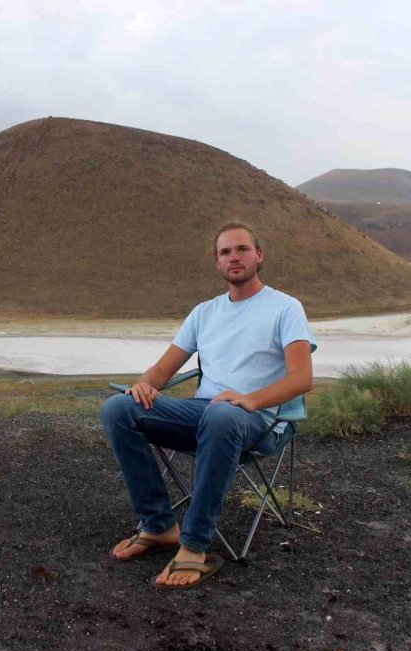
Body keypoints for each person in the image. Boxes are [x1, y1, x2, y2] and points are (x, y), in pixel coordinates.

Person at [100, 221, 316, 588]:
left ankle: (194, 545)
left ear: (259, 255)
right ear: (217, 262)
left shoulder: (285, 308)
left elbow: (301, 378)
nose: (234, 257)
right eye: (225, 252)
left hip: (258, 420)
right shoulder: (205, 312)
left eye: (242, 249)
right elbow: (163, 370)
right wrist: (143, 386)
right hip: (207, 414)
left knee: (222, 414)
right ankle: (159, 526)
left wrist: (250, 399)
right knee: (118, 409)